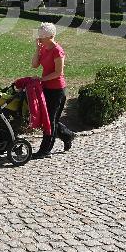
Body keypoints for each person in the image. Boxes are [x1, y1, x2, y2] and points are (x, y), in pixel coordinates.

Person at [31, 22, 75, 158]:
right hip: (46, 88)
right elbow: (34, 65)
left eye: (41, 37)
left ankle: (45, 150)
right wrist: (37, 50)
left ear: (50, 36)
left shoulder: (57, 50)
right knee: (50, 118)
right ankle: (68, 136)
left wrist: (42, 79)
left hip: (57, 90)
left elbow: (58, 73)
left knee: (51, 120)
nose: (39, 39)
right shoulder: (43, 48)